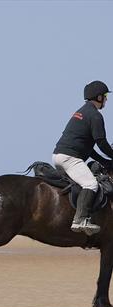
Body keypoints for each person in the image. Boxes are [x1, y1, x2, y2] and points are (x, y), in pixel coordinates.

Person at [53, 80, 112, 235]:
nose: (106, 99)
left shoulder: (82, 112)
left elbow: (88, 147)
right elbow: (101, 142)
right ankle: (80, 219)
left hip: (59, 155)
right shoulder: (95, 116)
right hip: (70, 158)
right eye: (105, 96)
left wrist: (105, 161)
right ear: (99, 97)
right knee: (91, 184)